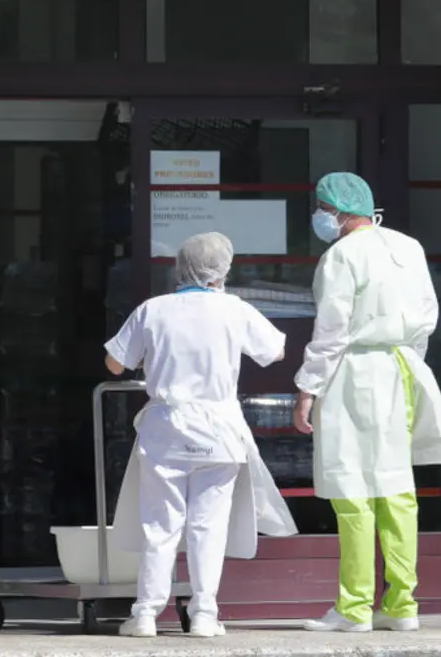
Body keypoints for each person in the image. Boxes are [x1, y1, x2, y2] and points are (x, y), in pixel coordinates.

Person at [104, 232, 298, 639]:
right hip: (219, 431)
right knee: (208, 527)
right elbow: (275, 351)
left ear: (180, 267)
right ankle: (204, 614)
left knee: (160, 526)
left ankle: (145, 614)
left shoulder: (152, 309)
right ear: (222, 271)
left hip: (166, 432)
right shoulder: (233, 309)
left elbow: (115, 364)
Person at [293, 172, 441, 634]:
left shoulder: (340, 256)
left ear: (336, 211)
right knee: (396, 488)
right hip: (403, 370)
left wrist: (307, 389)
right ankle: (403, 604)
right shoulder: (408, 247)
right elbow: (427, 316)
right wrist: (409, 364)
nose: (320, 217)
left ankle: (354, 607)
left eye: (321, 209)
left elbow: (331, 332)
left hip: (354, 373)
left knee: (352, 488)